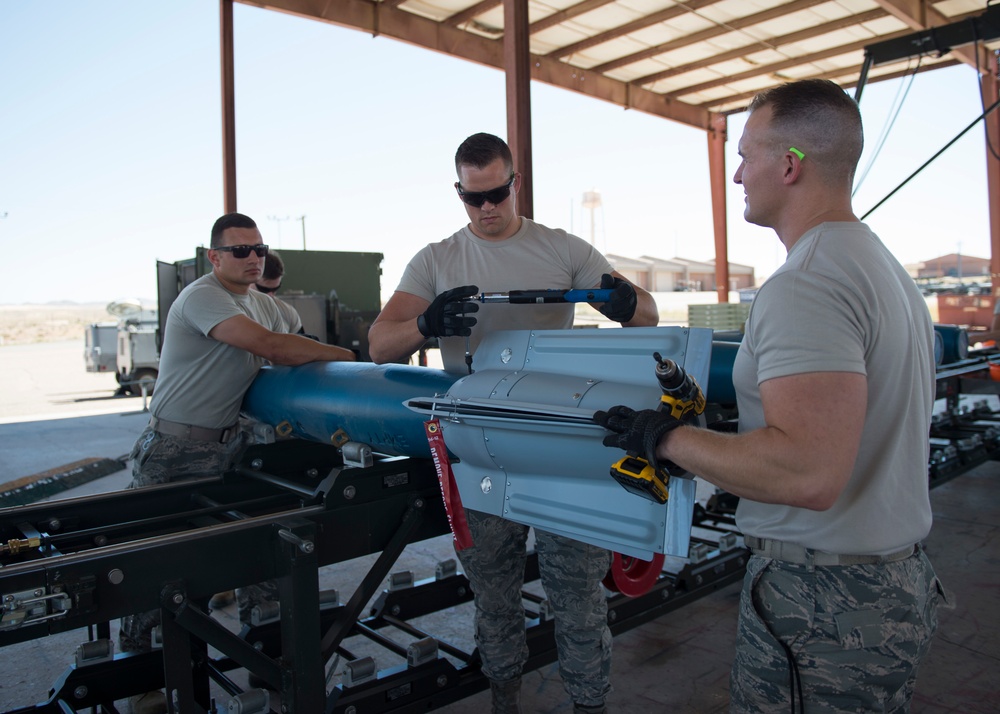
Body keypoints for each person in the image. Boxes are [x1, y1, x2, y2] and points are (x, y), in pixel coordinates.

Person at [595, 79, 945, 712]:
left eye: (747, 153)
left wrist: (667, 438)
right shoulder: (881, 266)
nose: (736, 175)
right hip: (886, 581)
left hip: (823, 598)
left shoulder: (806, 282)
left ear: (788, 165)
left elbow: (807, 471)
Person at [368, 132, 658, 714]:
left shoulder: (563, 248)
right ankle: (504, 698)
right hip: (481, 448)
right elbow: (379, 345)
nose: (487, 209)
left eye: (496, 193)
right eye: (473, 199)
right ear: (459, 192)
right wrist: (425, 320)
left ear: (515, 183)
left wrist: (628, 305)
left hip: (563, 446)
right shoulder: (436, 259)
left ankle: (589, 704)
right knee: (493, 596)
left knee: (577, 597)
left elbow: (644, 314)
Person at [122, 212, 355, 714]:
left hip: (229, 449)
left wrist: (326, 359)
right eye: (240, 251)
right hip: (172, 452)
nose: (253, 258)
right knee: (154, 567)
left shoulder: (265, 305)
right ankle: (143, 684)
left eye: (259, 250)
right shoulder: (204, 296)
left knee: (251, 556)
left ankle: (263, 661)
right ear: (214, 256)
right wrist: (356, 357)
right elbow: (273, 347)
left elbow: (298, 344)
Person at [252, 247, 304, 334]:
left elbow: (301, 344)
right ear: (249, 281)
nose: (270, 295)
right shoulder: (236, 310)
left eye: (275, 289)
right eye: (264, 289)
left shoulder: (287, 312)